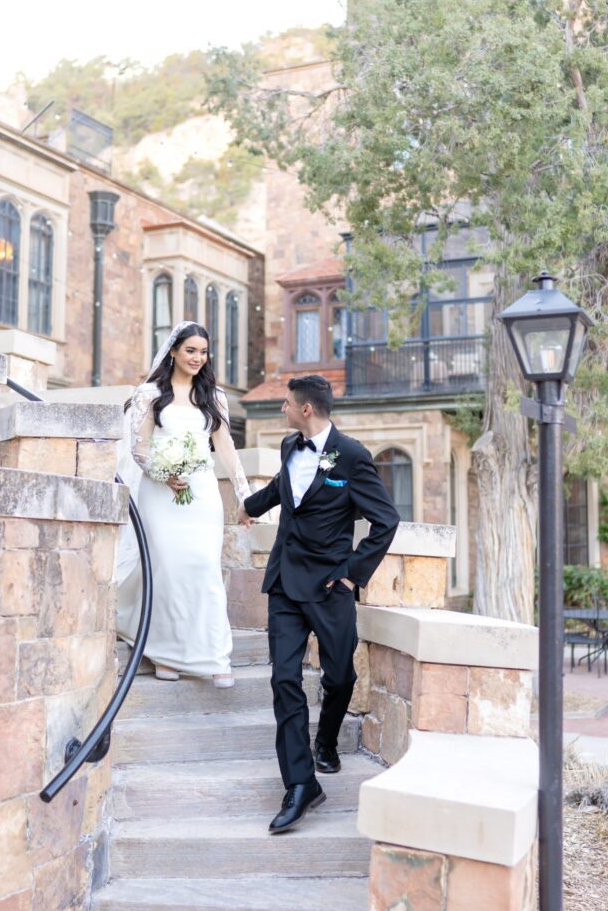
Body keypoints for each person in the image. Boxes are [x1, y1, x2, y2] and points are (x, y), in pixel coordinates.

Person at [238, 374, 399, 832]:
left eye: (286, 404)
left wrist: (352, 573)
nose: (282, 411)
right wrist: (250, 505)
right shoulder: (292, 445)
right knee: (284, 678)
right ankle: (300, 784)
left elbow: (386, 520)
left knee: (340, 675)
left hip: (330, 588)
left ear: (306, 408)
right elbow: (282, 489)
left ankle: (326, 741)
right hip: (286, 583)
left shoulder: (352, 456)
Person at [117, 320, 251, 687]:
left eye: (203, 352)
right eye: (190, 350)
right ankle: (165, 652)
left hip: (202, 493)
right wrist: (162, 472)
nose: (197, 358)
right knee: (167, 569)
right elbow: (139, 447)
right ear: (173, 350)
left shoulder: (214, 396)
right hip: (159, 492)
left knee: (204, 567)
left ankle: (215, 654)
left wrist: (245, 495)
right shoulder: (149, 394)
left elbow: (225, 448)